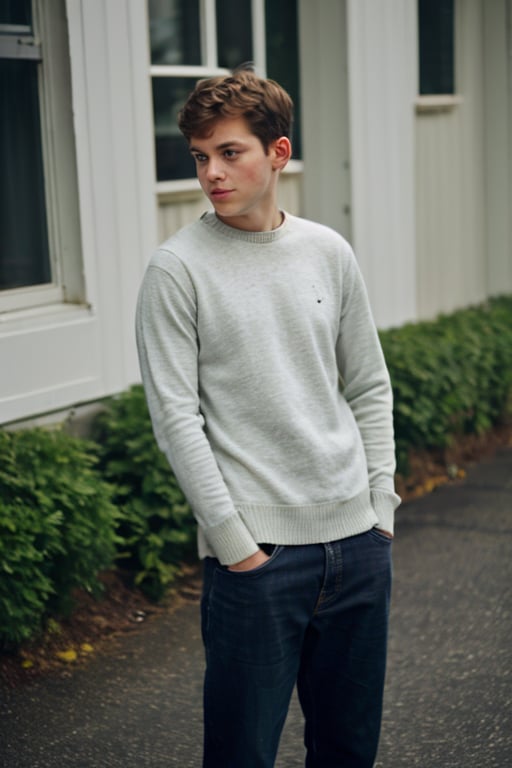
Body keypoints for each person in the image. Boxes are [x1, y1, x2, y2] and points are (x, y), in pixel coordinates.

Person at [135, 64, 400, 768]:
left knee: (347, 750)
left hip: (358, 548)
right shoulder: (177, 270)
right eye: (200, 157)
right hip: (257, 561)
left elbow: (369, 386)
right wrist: (235, 545)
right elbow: (175, 418)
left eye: (229, 152)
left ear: (277, 152)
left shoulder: (327, 252)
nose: (211, 173)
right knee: (240, 755)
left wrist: (381, 509)